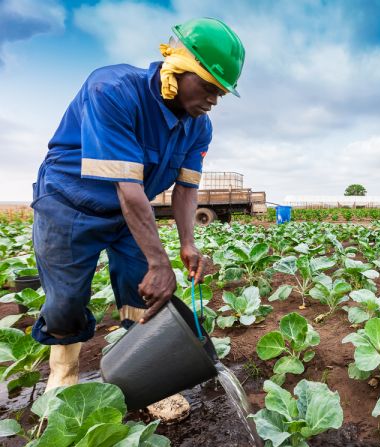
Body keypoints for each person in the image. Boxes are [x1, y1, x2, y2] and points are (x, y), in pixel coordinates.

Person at [30, 17, 245, 422]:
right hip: (69, 204)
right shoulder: (111, 89)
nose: (215, 98)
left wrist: (186, 244)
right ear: (177, 70)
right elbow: (126, 188)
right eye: (210, 85)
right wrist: (159, 261)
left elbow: (185, 189)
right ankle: (63, 378)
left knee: (141, 285)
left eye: (222, 92)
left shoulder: (199, 127)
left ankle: (144, 370)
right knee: (66, 299)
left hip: (133, 208)